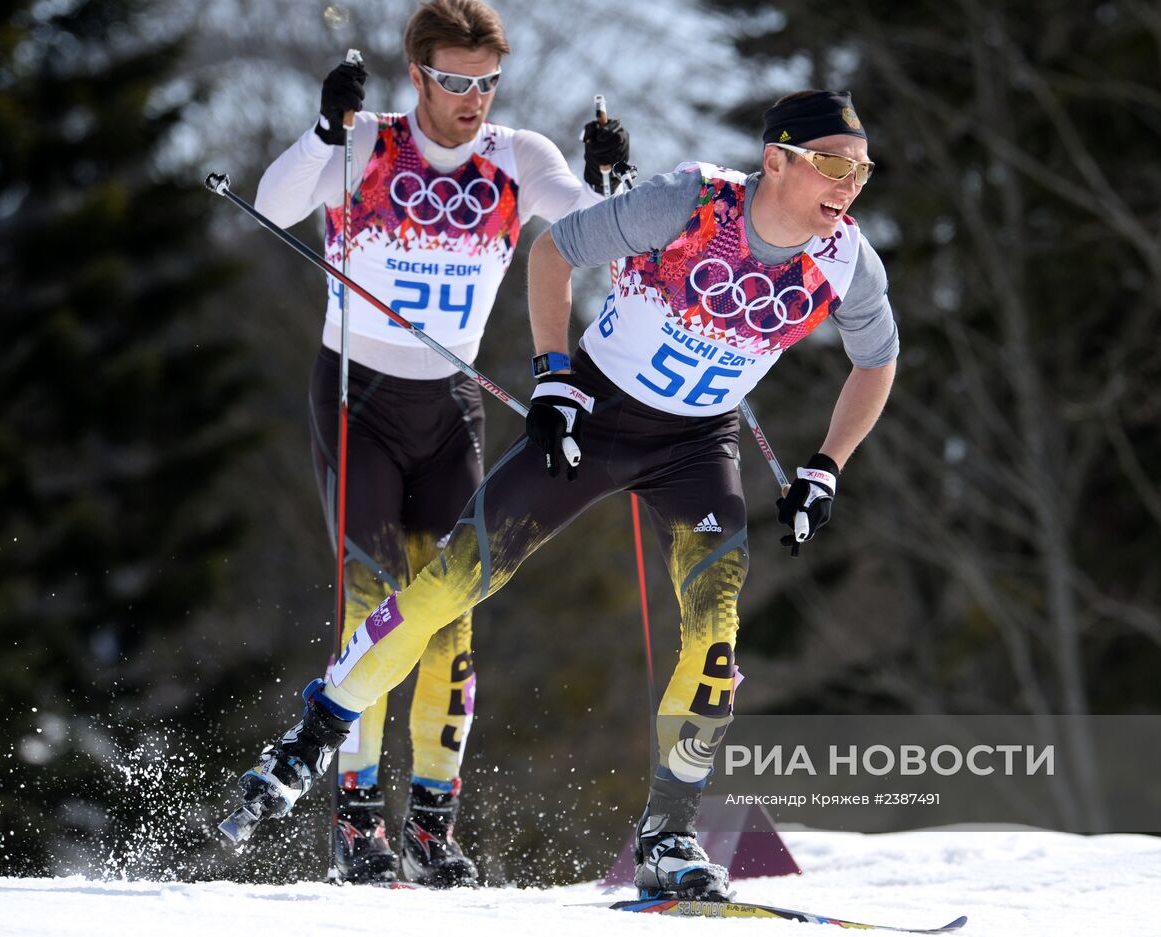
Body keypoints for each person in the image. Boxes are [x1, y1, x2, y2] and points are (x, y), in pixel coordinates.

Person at [231, 89, 895, 900]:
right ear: (777, 160)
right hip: (596, 419)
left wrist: (827, 464)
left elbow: (876, 359)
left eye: (861, 168)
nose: (849, 183)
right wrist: (551, 379)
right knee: (452, 583)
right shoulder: (692, 202)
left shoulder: (849, 259)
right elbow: (554, 254)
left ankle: (669, 834)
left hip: (697, 446)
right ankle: (313, 733)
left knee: (717, 637)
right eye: (833, 164)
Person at [252, 0, 632, 886]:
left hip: (452, 403)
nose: (475, 99)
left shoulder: (518, 157)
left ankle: (429, 822)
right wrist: (322, 128)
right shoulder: (367, 143)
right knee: (373, 600)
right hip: (358, 395)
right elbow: (271, 209)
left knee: (450, 608)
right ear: (417, 74)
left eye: (488, 81)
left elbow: (610, 253)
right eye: (457, 81)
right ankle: (356, 826)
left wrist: (613, 186)